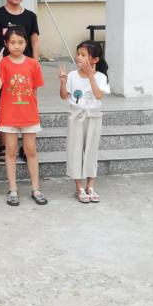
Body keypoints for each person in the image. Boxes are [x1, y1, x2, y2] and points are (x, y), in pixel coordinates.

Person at [0, 0, 40, 163]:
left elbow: (34, 40)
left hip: (26, 68)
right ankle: (5, 145)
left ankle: (26, 145)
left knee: (28, 102)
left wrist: (35, 63)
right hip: (4, 69)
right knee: (4, 105)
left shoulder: (30, 16)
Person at [0, 25, 47, 206]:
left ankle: (36, 189)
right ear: (6, 43)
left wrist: (34, 110)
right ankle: (13, 189)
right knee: (10, 151)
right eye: (13, 42)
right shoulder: (3, 63)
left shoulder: (33, 64)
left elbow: (35, 90)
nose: (17, 45)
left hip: (29, 115)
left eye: (21, 42)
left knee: (31, 151)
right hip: (9, 115)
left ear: (26, 43)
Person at [60, 41, 110, 204]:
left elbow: (98, 95)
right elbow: (64, 96)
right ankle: (79, 187)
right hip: (75, 116)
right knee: (75, 150)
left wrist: (90, 76)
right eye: (78, 54)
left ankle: (90, 186)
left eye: (83, 55)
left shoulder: (101, 77)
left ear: (95, 60)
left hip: (93, 117)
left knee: (91, 151)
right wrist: (63, 82)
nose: (79, 57)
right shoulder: (72, 75)